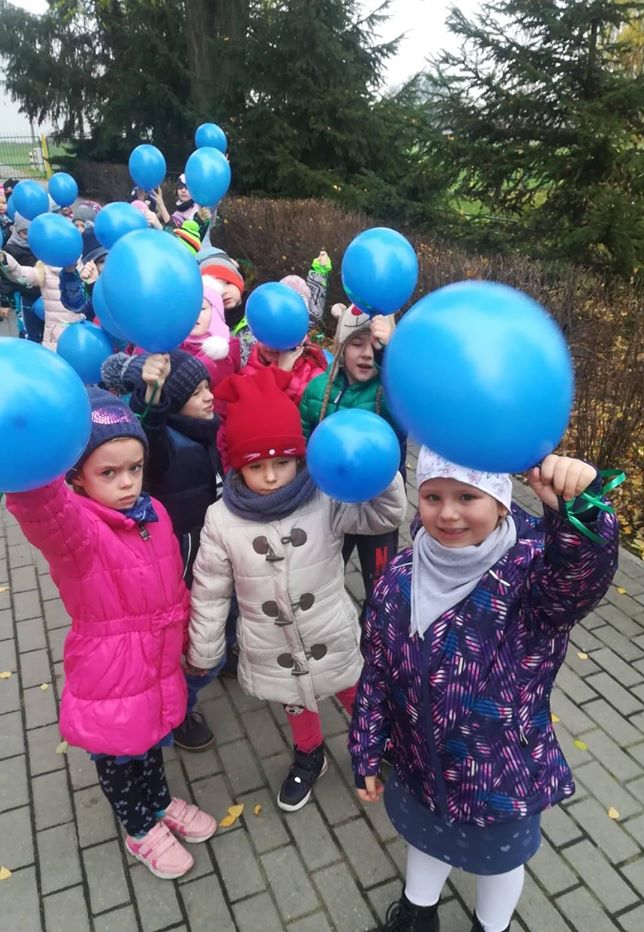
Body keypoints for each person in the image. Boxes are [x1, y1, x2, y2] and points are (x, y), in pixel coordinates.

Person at [349, 449, 619, 932]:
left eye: (467, 497)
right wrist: (366, 748)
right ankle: (417, 915)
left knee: (499, 863)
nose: (448, 513)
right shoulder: (399, 578)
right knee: (425, 841)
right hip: (420, 763)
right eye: (433, 496)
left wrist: (579, 512)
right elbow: (377, 672)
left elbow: (577, 580)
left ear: (499, 502)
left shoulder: (531, 581)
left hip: (499, 776)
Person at [5, 389, 217, 880]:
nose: (126, 482)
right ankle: (139, 828)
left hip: (156, 662)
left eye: (134, 468)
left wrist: (187, 639)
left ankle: (159, 802)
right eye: (109, 472)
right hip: (111, 673)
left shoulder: (153, 513)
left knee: (150, 740)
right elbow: (44, 509)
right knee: (119, 756)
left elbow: (174, 584)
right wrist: (30, 446)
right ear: (76, 477)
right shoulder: (77, 532)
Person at [187, 367, 406, 812]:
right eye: (256, 466)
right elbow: (210, 591)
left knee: (354, 689)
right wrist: (205, 651)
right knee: (295, 701)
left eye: (281, 463)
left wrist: (379, 473)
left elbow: (382, 517)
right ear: (238, 466)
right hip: (271, 643)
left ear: (300, 459)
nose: (270, 476)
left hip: (330, 629)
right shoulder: (221, 519)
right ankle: (310, 754)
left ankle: (375, 740)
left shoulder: (325, 497)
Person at [124, 351, 225, 751]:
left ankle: (212, 660)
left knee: (218, 627)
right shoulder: (164, 443)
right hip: (182, 564)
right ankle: (179, 710)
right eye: (196, 392)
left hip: (213, 552)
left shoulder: (208, 429)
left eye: (207, 387)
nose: (209, 396)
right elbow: (145, 432)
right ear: (174, 401)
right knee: (191, 645)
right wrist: (151, 399)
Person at [300, 304, 404, 604]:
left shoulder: (391, 391)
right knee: (326, 573)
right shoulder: (318, 388)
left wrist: (390, 355)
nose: (367, 354)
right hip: (331, 504)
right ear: (340, 346)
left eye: (375, 346)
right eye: (357, 343)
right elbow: (303, 437)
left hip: (379, 506)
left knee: (380, 582)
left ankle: (377, 622)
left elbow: (406, 406)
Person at [0, 224, 85, 351]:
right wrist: (5, 259)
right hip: (54, 336)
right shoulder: (45, 270)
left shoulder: (85, 271)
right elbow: (20, 273)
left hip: (80, 334)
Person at [179, 278, 242, 390]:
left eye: (202, 308)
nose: (194, 314)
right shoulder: (172, 343)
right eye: (188, 308)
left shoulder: (227, 346)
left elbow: (202, 374)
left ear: (215, 312)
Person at [0, 212, 41, 339]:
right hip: (23, 294)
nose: (29, 237)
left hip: (41, 292)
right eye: (25, 233)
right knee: (27, 325)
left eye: (32, 233)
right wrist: (5, 303)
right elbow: (6, 278)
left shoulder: (40, 246)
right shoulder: (12, 248)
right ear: (17, 231)